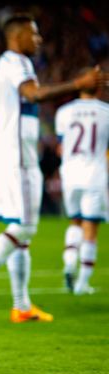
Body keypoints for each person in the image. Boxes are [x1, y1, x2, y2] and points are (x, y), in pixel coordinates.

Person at [0, 13, 104, 323]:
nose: (39, 40)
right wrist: (78, 84)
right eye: (33, 34)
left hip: (8, 152)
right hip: (16, 155)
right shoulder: (18, 64)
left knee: (22, 232)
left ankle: (21, 305)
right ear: (16, 37)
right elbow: (34, 94)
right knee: (24, 227)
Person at [55, 75, 109, 295]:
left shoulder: (64, 112)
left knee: (74, 221)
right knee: (91, 228)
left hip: (69, 174)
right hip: (93, 174)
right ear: (97, 87)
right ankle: (82, 283)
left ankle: (69, 263)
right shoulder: (106, 112)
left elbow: (60, 147)